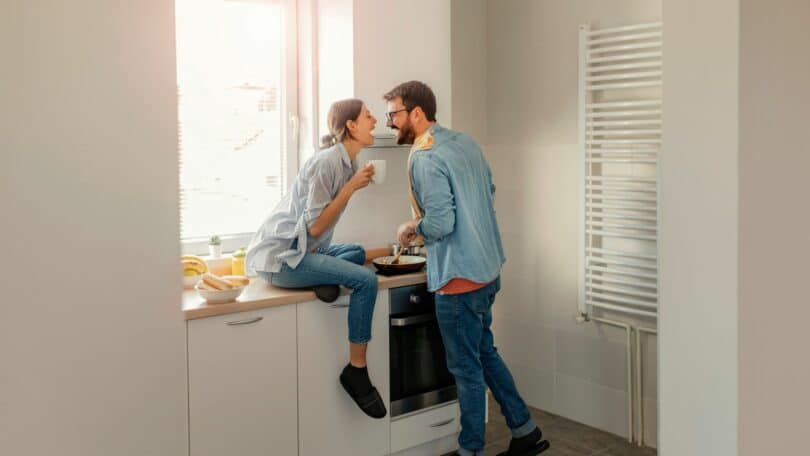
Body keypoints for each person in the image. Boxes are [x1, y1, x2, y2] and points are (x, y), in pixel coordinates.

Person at [385, 81, 550, 456]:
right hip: (487, 268)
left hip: (460, 279)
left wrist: (411, 227)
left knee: (466, 371)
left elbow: (441, 224)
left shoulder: (426, 158)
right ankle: (525, 430)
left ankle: (470, 450)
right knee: (485, 353)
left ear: (416, 113)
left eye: (394, 114)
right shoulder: (464, 142)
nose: (390, 123)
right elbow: (488, 191)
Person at [245, 98, 387, 419]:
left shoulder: (347, 163)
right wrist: (350, 188)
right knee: (365, 280)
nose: (375, 120)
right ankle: (357, 371)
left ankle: (325, 280)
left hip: (307, 251)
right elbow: (317, 225)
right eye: (368, 116)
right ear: (351, 125)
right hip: (282, 259)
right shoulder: (328, 163)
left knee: (352, 253)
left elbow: (320, 232)